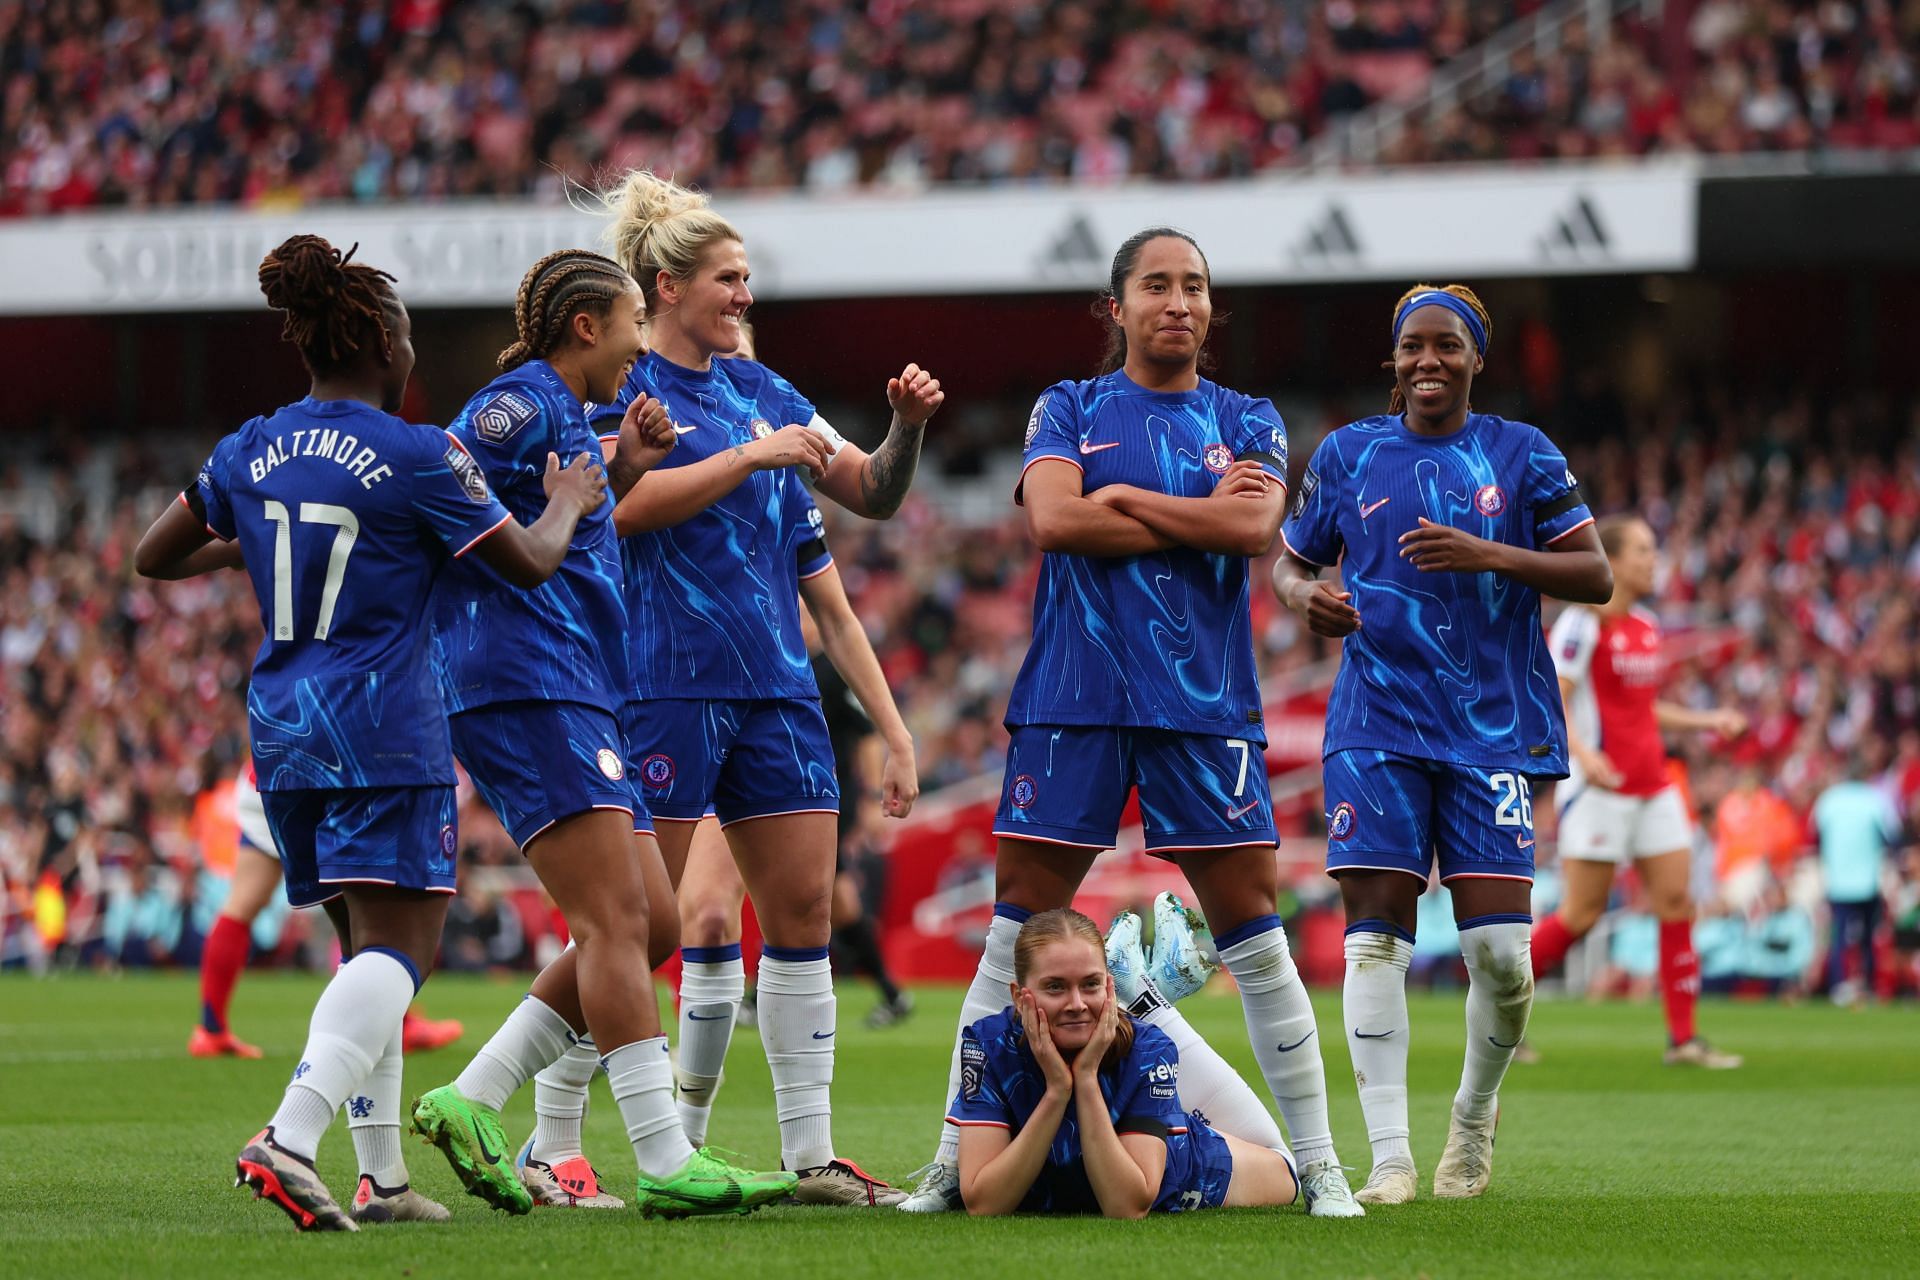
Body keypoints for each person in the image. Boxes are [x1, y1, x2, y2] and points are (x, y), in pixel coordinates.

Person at [134, 233, 603, 1230]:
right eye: (412, 342)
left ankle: (380, 1177)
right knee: (404, 946)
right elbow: (529, 562)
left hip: (285, 722)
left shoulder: (252, 444)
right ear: (387, 347)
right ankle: (289, 1136)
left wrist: (259, 545)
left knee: (364, 948)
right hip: (384, 719)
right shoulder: (419, 452)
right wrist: (566, 498)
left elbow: (152, 554)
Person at [502, 169, 941, 1208]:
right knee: (628, 923)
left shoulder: (768, 389)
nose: (747, 295)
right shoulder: (619, 381)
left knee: (798, 916)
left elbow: (868, 488)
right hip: (660, 680)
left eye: (748, 278)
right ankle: (549, 1134)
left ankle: (810, 1153)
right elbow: (617, 508)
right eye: (729, 278)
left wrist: (906, 427)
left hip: (776, 690)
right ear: (666, 284)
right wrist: (749, 457)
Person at [905, 226, 1360, 1218]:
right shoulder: (1067, 405)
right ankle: (950, 1160)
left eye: (1195, 285)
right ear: (1117, 306)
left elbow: (1252, 530)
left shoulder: (1247, 414)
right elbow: (1057, 522)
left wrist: (1122, 494)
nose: (1179, 301)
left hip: (1201, 705)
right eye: (1157, 284)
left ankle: (1322, 1164)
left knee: (1255, 934)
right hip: (1075, 697)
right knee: (1009, 932)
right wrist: (1186, 504)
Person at [409, 247, 795, 1220]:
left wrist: (621, 466)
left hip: (577, 683)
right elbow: (443, 482)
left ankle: (473, 1095)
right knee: (618, 925)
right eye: (630, 321)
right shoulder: (514, 406)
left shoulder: (569, 418)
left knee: (653, 922)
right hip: (524, 681)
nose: (638, 347)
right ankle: (665, 1157)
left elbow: (576, 515)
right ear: (589, 325)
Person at [1272, 283, 1612, 1205]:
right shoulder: (1348, 453)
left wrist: (1492, 553)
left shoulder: (1523, 453)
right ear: (1393, 359)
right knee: (1373, 940)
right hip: (1375, 723)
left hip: (1491, 730)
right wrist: (1308, 601)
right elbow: (1290, 562)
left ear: (1476, 360)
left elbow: (1596, 573)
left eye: (1447, 347)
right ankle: (1389, 1155)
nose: (1429, 361)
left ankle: (1472, 1115)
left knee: (1503, 956)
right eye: (1413, 346)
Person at [1531, 515, 1747, 1067]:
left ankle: (1684, 1040)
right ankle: (1493, 1009)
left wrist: (1708, 721)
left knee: (1677, 902)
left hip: (1653, 784)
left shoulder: (1647, 624)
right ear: (1615, 561)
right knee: (1580, 914)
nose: (1654, 561)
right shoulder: (1582, 623)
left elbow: (1643, 708)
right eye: (1645, 551)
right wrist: (1584, 755)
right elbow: (1558, 696)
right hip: (1601, 789)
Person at [951, 908, 1300, 1217]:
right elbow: (985, 1204)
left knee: (1286, 1169)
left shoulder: (1148, 1049)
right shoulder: (989, 1044)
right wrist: (1057, 1091)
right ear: (1018, 995)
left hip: (1184, 1169)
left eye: (1090, 985)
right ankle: (1144, 990)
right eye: (1055, 987)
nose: (1076, 1003)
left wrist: (1085, 1079)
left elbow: (1127, 1205)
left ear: (1108, 988)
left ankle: (1146, 996)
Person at [191, 761, 464, 1060]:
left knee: (242, 903)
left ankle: (211, 1030)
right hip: (319, 771)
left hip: (265, 770)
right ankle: (396, 1022)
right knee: (361, 910)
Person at [1811, 754, 1902, 1004]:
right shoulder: (1875, 799)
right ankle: (1869, 985)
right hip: (1867, 878)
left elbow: (1815, 837)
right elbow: (1892, 836)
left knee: (1839, 935)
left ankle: (1838, 985)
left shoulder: (1829, 799)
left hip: (1838, 879)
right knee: (1868, 936)